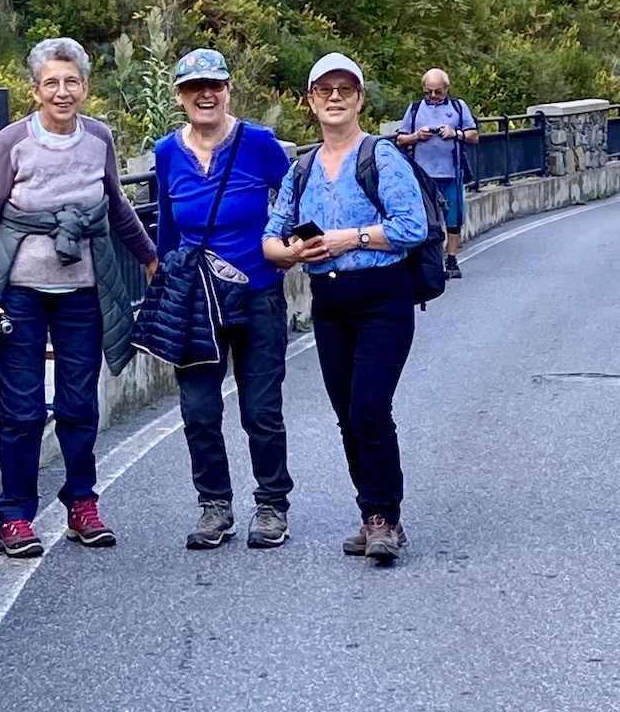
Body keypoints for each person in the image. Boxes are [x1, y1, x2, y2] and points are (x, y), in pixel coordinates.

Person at [0, 37, 158, 558]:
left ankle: (81, 504)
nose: (62, 91)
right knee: (22, 410)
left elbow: (117, 208)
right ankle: (16, 516)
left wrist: (150, 258)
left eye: (71, 81)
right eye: (52, 82)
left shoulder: (99, 139)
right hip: (19, 296)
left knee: (78, 404)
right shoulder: (11, 142)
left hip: (83, 294)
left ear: (86, 88)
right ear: (35, 89)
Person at [262, 52, 427, 564]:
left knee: (369, 409)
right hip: (330, 305)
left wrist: (344, 239)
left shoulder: (382, 156)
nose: (335, 98)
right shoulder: (302, 168)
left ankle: (385, 519)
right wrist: (297, 251)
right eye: (324, 90)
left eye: (345, 89)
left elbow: (411, 226)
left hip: (384, 298)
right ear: (311, 102)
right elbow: (271, 238)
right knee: (346, 416)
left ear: (359, 98)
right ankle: (371, 512)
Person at [152, 48, 294, 550]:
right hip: (195, 304)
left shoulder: (258, 143)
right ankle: (215, 506)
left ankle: (272, 505)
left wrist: (293, 245)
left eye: (214, 84)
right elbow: (168, 226)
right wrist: (162, 282)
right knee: (199, 411)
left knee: (260, 409)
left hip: (257, 294)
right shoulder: (167, 151)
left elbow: (295, 195)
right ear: (180, 97)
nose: (205, 94)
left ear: (229, 88)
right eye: (194, 88)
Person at [396, 67, 478, 279]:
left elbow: (474, 136)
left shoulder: (458, 107)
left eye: (437, 92)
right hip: (422, 176)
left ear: (446, 89)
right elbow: (400, 140)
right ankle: (426, 262)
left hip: (451, 172)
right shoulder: (414, 109)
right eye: (429, 92)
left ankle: (451, 259)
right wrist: (416, 136)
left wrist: (454, 134)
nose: (433, 96)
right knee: (425, 220)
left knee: (453, 218)